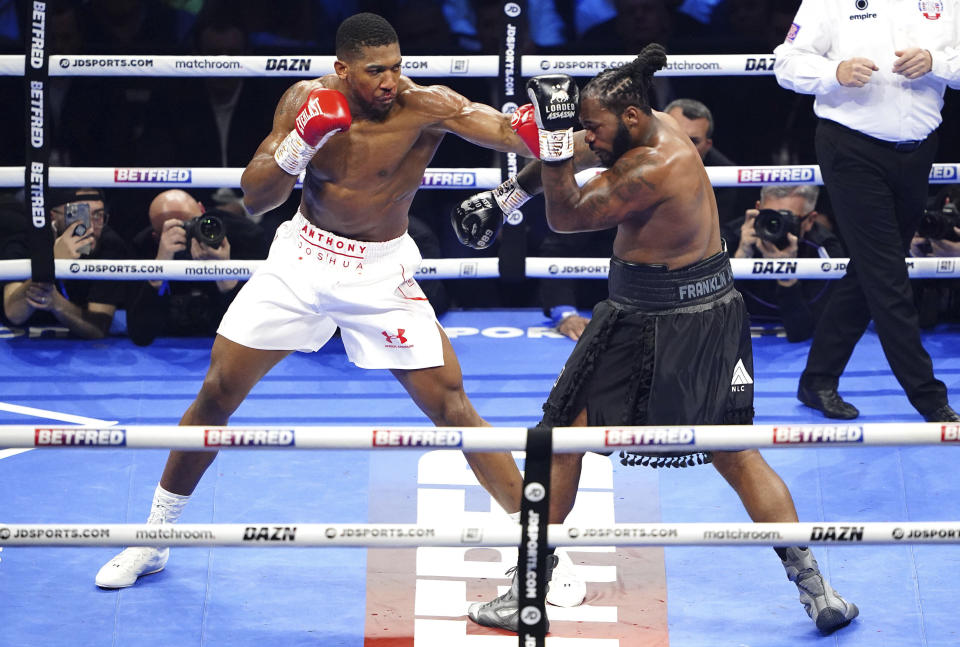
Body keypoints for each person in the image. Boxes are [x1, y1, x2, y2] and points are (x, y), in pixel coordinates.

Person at [94, 12, 531, 589]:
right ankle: (154, 537)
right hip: (301, 260)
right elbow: (255, 197)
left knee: (453, 407)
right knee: (216, 393)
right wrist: (304, 141)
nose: (390, 81)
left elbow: (508, 134)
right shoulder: (305, 99)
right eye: (376, 71)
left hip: (379, 273)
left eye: (398, 67)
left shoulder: (427, 106)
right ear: (342, 70)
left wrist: (545, 126)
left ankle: (541, 550)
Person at [457, 45, 859, 635]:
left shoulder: (649, 169)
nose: (588, 138)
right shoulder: (655, 125)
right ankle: (817, 590)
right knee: (736, 451)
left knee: (560, 443)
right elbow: (580, 158)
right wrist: (508, 195)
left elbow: (567, 215)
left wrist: (547, 145)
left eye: (592, 127)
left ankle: (528, 590)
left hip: (646, 318)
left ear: (631, 119)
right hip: (711, 311)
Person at [774, 0, 960, 422]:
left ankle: (817, 380)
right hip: (851, 148)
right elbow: (785, 63)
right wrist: (832, 73)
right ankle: (928, 397)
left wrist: (937, 61)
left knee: (869, 272)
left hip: (918, 151)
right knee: (888, 276)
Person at [126, 190, 267, 346]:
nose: (187, 233)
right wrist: (159, 269)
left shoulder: (243, 235)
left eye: (192, 223)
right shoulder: (143, 246)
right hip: (167, 349)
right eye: (174, 229)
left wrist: (226, 275)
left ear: (202, 210)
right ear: (156, 236)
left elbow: (257, 331)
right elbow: (140, 336)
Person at [1, 188, 130, 339]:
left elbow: (98, 328)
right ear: (52, 218)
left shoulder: (110, 246)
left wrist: (57, 303)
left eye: (98, 215)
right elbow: (14, 313)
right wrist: (51, 265)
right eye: (79, 215)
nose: (91, 228)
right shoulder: (25, 240)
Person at [723, 184, 845, 342]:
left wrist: (787, 276)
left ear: (810, 220)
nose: (776, 224)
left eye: (787, 218)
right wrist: (740, 260)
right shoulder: (730, 239)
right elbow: (716, 323)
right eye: (770, 216)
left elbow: (802, 332)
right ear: (757, 209)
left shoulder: (825, 251)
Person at [663, 97, 751, 226]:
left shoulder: (724, 176)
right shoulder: (635, 157)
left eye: (693, 141)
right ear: (659, 133)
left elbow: (717, 232)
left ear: (707, 145)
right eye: (676, 135)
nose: (683, 146)